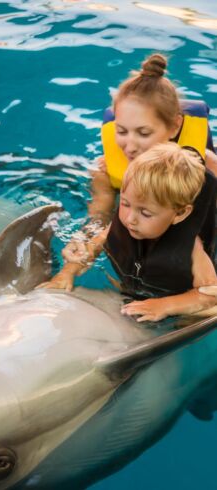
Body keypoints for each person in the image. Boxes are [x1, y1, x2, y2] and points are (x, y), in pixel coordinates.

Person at [63, 53, 217, 265]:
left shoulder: (207, 165)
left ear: (174, 126)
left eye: (143, 133)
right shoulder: (106, 172)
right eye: (122, 131)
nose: (131, 146)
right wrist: (81, 240)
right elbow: (99, 219)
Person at [40, 143, 217, 322]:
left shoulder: (193, 251)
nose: (130, 218)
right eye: (125, 203)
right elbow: (93, 246)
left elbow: (211, 295)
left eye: (145, 213)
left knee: (194, 318)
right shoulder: (125, 222)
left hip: (172, 296)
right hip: (135, 286)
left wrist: (165, 306)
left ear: (179, 214)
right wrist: (67, 273)